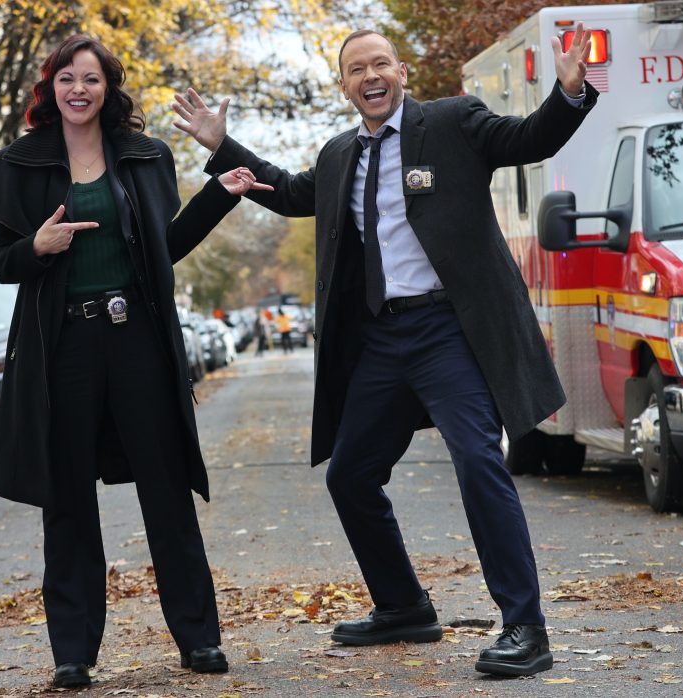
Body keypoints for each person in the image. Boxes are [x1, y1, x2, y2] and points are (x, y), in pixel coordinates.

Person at [173, 26, 596, 677]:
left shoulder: (453, 122)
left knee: (478, 458)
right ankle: (402, 606)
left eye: (379, 65)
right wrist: (219, 145)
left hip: (445, 331)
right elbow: (288, 193)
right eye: (355, 70)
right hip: (380, 339)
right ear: (344, 87)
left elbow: (527, 139)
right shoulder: (341, 153)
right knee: (350, 473)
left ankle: (525, 626)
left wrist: (568, 92)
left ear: (400, 71)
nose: (370, 77)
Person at [0, 34, 271, 690]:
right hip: (65, 347)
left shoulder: (145, 156)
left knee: (165, 489)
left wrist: (218, 194)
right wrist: (38, 245)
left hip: (137, 337)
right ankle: (74, 653)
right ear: (49, 90)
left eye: (90, 79)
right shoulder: (18, 166)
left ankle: (199, 639)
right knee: (68, 500)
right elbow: (1, 263)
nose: (78, 90)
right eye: (66, 79)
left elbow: (162, 249)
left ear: (108, 88)